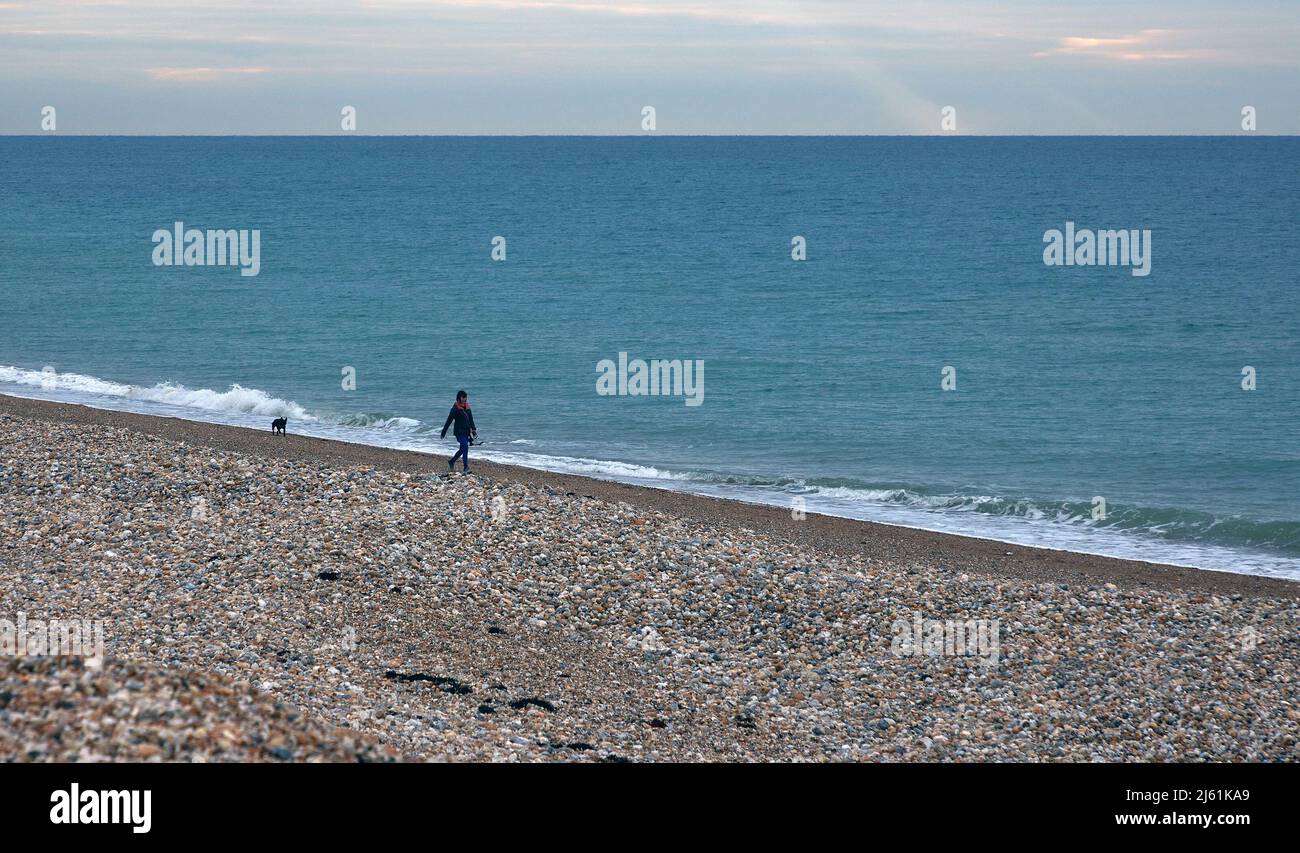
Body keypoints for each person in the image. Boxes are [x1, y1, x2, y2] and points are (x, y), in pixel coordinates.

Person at [440, 389, 477, 473]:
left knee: (462, 449)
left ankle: (452, 461)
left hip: (467, 432)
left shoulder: (467, 407)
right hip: (459, 432)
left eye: (466, 398)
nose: (465, 399)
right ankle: (466, 468)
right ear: (460, 397)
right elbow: (449, 421)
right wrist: (444, 431)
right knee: (465, 447)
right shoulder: (455, 408)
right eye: (464, 398)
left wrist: (474, 429)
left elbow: (471, 419)